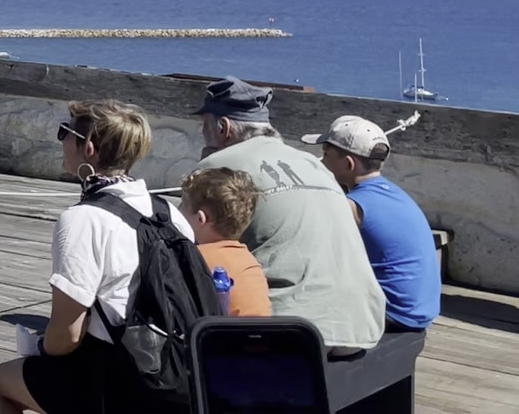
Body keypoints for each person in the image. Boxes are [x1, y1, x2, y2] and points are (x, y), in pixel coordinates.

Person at [0, 100, 196, 414]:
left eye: (64, 132)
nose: (61, 140)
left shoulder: (83, 220)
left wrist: (38, 347)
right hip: (176, 376)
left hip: (116, 382)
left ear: (88, 147)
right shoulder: (169, 214)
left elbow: (68, 336)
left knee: (0, 380)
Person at [191, 77, 386, 352]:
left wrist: (206, 162)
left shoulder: (219, 166)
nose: (202, 132)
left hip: (292, 329)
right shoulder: (310, 162)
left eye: (204, 126)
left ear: (223, 127)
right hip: (361, 325)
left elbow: (190, 240)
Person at [301, 115, 441, 332]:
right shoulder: (396, 194)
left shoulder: (353, 207)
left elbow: (311, 251)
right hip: (421, 310)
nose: (321, 161)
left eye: (325, 154)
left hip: (393, 314)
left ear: (349, 164)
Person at [179, 167, 273, 317]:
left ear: (200, 219)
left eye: (183, 205)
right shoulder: (250, 263)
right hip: (261, 337)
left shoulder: (192, 260)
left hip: (216, 338)